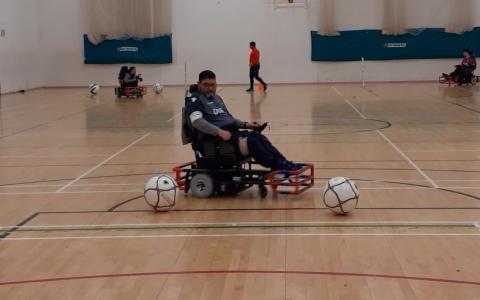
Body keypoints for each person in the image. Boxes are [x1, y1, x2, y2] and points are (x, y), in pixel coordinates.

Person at [186, 70, 300, 172]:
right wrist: (219, 132)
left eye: (213, 85)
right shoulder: (195, 100)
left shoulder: (217, 98)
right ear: (199, 84)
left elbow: (229, 118)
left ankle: (283, 162)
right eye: (206, 85)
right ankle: (277, 166)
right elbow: (197, 122)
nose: (210, 88)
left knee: (258, 137)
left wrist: (246, 125)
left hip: (231, 135)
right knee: (251, 143)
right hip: (214, 140)